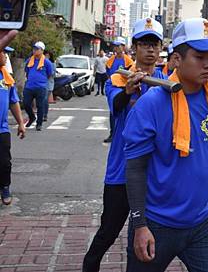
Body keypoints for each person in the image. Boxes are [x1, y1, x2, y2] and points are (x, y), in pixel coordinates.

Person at [123, 18, 208, 271]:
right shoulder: (150, 105)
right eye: (200, 57)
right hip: (157, 222)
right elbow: (135, 168)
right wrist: (140, 225)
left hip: (203, 219)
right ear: (176, 59)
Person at [82, 18, 166, 272]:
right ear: (134, 48)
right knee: (109, 231)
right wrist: (129, 91)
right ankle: (90, 265)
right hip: (122, 172)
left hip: (154, 173)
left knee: (152, 234)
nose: (150, 49)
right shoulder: (118, 80)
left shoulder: (168, 82)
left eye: (154, 44)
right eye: (144, 44)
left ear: (160, 48)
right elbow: (116, 107)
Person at [0, 46, 25, 206]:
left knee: (4, 162)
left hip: (2, 129)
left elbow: (13, 101)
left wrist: (21, 123)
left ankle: (5, 187)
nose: (6, 57)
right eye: (3, 53)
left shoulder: (6, 77)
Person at [104, 38, 133, 143]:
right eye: (115, 46)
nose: (116, 48)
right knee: (113, 112)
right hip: (113, 89)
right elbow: (108, 73)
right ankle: (112, 134)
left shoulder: (128, 61)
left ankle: (124, 133)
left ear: (123, 47)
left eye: (119, 46)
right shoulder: (110, 60)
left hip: (125, 89)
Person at [23, 41, 53, 131]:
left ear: (42, 50)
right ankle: (32, 117)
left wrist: (42, 81)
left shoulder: (47, 62)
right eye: (34, 49)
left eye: (37, 49)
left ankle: (39, 124)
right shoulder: (29, 60)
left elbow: (49, 73)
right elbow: (27, 71)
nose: (34, 50)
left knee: (40, 105)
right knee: (26, 104)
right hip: (29, 86)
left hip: (41, 87)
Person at [43, 51, 55, 122]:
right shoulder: (41, 63)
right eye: (45, 55)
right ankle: (41, 114)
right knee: (42, 100)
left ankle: (45, 115)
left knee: (45, 99)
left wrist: (48, 74)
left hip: (49, 84)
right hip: (41, 84)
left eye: (48, 56)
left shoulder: (52, 64)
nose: (46, 57)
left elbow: (53, 74)